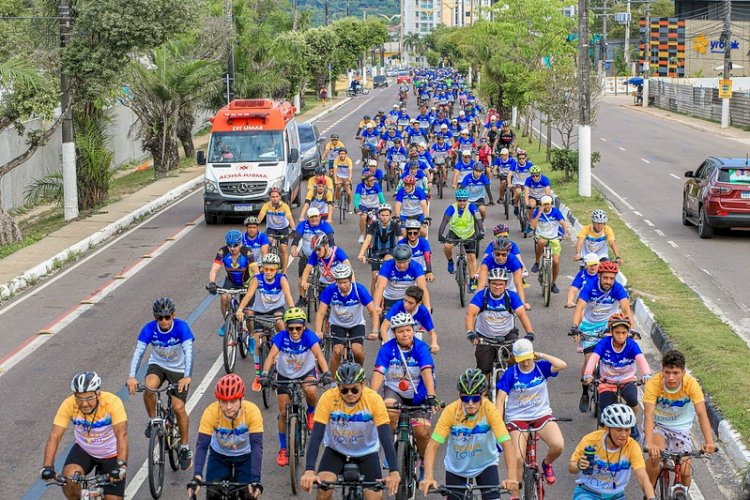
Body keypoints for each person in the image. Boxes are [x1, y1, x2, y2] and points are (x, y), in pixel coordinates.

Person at [300, 363, 401, 499]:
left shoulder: (374, 399)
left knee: (375, 497)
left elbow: (385, 438)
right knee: (323, 490)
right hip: (336, 452)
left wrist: (394, 471)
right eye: (344, 390)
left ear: (363, 384)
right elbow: (316, 436)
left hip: (367, 453)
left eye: (354, 390)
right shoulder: (328, 398)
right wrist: (309, 470)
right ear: (338, 386)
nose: (349, 394)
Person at [420, 368, 520, 500]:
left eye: (475, 398)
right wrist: (428, 477)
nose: (470, 403)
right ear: (460, 396)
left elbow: (507, 444)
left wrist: (512, 477)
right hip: (456, 468)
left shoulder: (490, 410)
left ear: (483, 395)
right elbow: (433, 446)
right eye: (466, 399)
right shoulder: (451, 411)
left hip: (485, 465)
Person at [127, 297, 193, 470]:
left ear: (173, 315)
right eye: (159, 318)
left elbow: (188, 352)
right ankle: (153, 420)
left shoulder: (182, 327)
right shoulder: (148, 329)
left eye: (167, 317)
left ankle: (185, 447)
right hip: (158, 365)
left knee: (178, 408)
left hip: (179, 370)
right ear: (155, 318)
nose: (163, 321)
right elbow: (138, 353)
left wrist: (186, 376)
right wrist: (132, 376)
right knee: (148, 388)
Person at [259, 308, 331, 466]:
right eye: (291, 328)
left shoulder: (309, 337)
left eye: (298, 328)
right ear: (286, 327)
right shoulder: (281, 337)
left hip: (306, 373)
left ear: (304, 326)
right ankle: (283, 449)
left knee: (311, 391)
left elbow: (318, 355)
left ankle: (311, 413)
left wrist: (326, 372)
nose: (294, 331)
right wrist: (264, 374)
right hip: (285, 375)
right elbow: (271, 356)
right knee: (283, 413)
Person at [41, 372, 128, 500]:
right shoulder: (69, 404)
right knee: (69, 480)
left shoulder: (113, 402)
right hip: (85, 450)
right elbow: (55, 436)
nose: (84, 404)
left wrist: (121, 466)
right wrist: (47, 467)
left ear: (98, 394)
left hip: (111, 453)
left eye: (89, 398)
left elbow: (122, 435)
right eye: (79, 399)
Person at [371, 312, 439, 471]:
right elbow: (379, 373)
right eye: (400, 331)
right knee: (389, 414)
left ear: (413, 331)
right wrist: (371, 396)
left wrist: (431, 396)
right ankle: (389, 451)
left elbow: (427, 372)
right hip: (395, 390)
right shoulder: (387, 349)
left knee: (422, 432)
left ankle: (423, 462)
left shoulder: (421, 348)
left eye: (408, 330)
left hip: (419, 392)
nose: (405, 334)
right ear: (394, 333)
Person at [496, 339, 566, 489]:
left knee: (558, 445)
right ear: (515, 358)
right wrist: (498, 424)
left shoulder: (541, 368)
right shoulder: (511, 373)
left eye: (528, 358)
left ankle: (546, 464)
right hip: (517, 419)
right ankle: (516, 492)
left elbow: (562, 365)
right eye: (521, 359)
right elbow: (500, 400)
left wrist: (540, 355)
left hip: (541, 415)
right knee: (518, 459)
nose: (526, 363)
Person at [643, 350, 717, 488]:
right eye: (667, 372)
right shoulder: (654, 383)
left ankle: (682, 494)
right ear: (662, 371)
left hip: (680, 428)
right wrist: (649, 443)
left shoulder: (691, 384)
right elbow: (649, 414)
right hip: (658, 425)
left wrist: (709, 442)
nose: (671, 377)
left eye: (676, 373)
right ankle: (649, 493)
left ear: (683, 372)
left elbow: (702, 413)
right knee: (655, 456)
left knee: (685, 471)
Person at [190, 374, 264, 500]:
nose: (228, 406)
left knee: (249, 495)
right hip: (219, 456)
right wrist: (197, 476)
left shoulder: (252, 411)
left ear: (242, 399)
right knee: (212, 494)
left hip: (245, 456)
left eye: (233, 401)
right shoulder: (211, 412)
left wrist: (255, 479)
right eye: (224, 401)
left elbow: (257, 446)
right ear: (218, 400)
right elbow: (202, 445)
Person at [571, 261, 632, 412]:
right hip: (589, 327)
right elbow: (580, 308)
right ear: (599, 276)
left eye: (612, 278)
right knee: (589, 360)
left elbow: (626, 308)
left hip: (609, 326)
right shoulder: (590, 286)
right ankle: (585, 392)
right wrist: (575, 326)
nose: (608, 282)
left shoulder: (617, 288)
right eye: (605, 278)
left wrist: (631, 330)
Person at [583, 313, 652, 438]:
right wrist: (588, 374)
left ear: (628, 333)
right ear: (611, 332)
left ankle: (632, 423)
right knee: (604, 414)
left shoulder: (631, 345)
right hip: (607, 382)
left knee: (633, 400)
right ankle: (601, 439)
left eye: (624, 333)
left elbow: (641, 359)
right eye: (617, 332)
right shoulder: (604, 343)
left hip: (627, 380)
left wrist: (647, 374)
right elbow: (594, 358)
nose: (621, 336)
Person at [569, 404, 656, 500]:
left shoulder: (632, 446)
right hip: (588, 492)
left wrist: (651, 497)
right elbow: (571, 468)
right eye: (619, 430)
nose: (624, 435)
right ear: (607, 428)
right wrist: (578, 465)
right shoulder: (590, 440)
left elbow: (643, 477)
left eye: (627, 430)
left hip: (616, 496)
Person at [236, 253, 295, 390]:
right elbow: (249, 294)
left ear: (277, 270)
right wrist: (240, 309)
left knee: (281, 323)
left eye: (272, 270)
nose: (268, 272)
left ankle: (283, 349)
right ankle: (258, 376)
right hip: (260, 312)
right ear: (262, 269)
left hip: (276, 310)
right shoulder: (257, 279)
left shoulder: (281, 279)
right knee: (257, 343)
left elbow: (287, 294)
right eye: (266, 269)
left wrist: (292, 310)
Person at [466, 268, 535, 377]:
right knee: (483, 368)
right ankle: (484, 391)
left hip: (507, 334)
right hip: (485, 336)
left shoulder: (511, 296)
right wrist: (470, 332)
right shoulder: (481, 296)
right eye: (494, 284)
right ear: (489, 283)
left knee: (515, 361)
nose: (497, 287)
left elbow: (522, 315)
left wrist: (530, 333)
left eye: (500, 284)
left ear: (505, 284)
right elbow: (470, 314)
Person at [316, 263, 379, 375]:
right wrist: (318, 331)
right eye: (339, 282)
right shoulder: (330, 290)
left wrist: (374, 331)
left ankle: (359, 371)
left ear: (350, 280)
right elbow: (321, 312)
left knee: (357, 350)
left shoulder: (359, 290)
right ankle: (334, 381)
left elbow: (373, 312)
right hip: (337, 324)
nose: (343, 285)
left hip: (356, 324)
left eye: (345, 282)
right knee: (337, 351)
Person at [208, 229, 258, 336]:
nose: (232, 248)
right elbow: (214, 269)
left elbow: (256, 271)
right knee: (224, 297)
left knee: (248, 313)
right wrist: (212, 282)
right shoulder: (223, 252)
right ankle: (227, 322)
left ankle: (252, 337)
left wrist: (258, 284)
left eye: (235, 245)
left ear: (240, 243)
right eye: (229, 245)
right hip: (231, 281)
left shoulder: (247, 252)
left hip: (246, 283)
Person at [437, 189, 484, 292]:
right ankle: (450, 262)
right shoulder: (451, 208)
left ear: (467, 200)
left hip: (468, 234)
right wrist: (440, 234)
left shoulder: (472, 207)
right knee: (447, 246)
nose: (462, 203)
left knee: (471, 257)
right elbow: (444, 221)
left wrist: (481, 231)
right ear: (456, 200)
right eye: (460, 200)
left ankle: (472, 281)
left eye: (464, 200)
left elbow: (479, 220)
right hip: (455, 232)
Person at [290, 207, 335, 306]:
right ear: (308, 218)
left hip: (321, 256)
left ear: (319, 216)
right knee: (301, 277)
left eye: (316, 217)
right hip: (306, 255)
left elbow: (331, 240)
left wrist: (332, 252)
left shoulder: (325, 225)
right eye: (311, 217)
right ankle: (302, 298)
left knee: (326, 277)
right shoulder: (303, 225)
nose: (314, 219)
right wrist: (293, 249)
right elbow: (296, 239)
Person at [373, 244, 432, 315]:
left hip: (409, 298)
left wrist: (427, 307)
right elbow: (380, 287)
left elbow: (422, 287)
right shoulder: (387, 266)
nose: (401, 265)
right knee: (386, 322)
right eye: (399, 262)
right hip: (391, 298)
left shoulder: (416, 267)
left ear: (409, 260)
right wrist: (376, 306)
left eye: (404, 262)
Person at [530, 195, 569, 294]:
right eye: (544, 204)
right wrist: (539, 213)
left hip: (553, 238)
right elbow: (532, 226)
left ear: (551, 204)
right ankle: (537, 262)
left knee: (556, 261)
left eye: (548, 204)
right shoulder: (537, 212)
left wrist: (566, 233)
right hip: (541, 236)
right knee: (541, 242)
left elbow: (562, 223)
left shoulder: (555, 212)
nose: (546, 206)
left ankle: (553, 283)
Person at [381, 285, 438, 352]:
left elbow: (432, 332)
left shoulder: (423, 311)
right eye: (405, 300)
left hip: (413, 336)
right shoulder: (398, 306)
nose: (406, 304)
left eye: (410, 303)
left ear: (419, 303)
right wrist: (387, 344)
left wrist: (434, 343)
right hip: (394, 336)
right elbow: (384, 327)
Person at [357, 203, 400, 293]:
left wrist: (401, 254)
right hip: (376, 252)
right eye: (382, 215)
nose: (385, 217)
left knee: (390, 274)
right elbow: (367, 240)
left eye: (387, 215)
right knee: (374, 277)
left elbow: (401, 240)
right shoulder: (374, 225)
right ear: (379, 215)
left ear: (390, 215)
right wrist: (361, 254)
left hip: (390, 251)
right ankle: (373, 302)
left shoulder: (394, 225)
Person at [476, 237, 529, 309]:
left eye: (504, 254)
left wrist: (522, 303)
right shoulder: (487, 260)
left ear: (508, 253)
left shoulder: (513, 261)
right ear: (493, 252)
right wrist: (477, 303)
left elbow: (519, 285)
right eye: (497, 254)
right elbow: (481, 286)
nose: (500, 257)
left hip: (510, 290)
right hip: (493, 290)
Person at [301, 233, 351, 301]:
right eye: (315, 250)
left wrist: (352, 284)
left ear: (326, 246)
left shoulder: (337, 252)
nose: (317, 252)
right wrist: (304, 281)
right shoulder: (315, 254)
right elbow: (307, 269)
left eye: (319, 249)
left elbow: (349, 268)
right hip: (323, 284)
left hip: (338, 283)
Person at [258, 187, 295, 270]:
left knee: (283, 248)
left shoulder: (285, 206)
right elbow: (260, 217)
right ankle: (265, 267)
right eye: (273, 197)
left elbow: (290, 218)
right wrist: (255, 227)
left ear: (280, 197)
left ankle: (284, 271)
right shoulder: (266, 205)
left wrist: (293, 230)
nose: (275, 199)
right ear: (270, 198)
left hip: (283, 228)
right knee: (266, 246)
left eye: (277, 196)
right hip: (271, 228)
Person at [354, 171, 386, 244]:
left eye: (374, 180)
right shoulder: (360, 186)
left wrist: (384, 206)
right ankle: (362, 235)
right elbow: (357, 198)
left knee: (375, 219)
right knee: (363, 217)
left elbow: (381, 197)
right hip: (363, 206)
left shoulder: (376, 185)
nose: (373, 182)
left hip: (374, 206)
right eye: (371, 180)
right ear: (365, 181)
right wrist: (356, 207)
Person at [523, 166, 551, 231]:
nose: (535, 177)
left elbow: (547, 192)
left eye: (537, 176)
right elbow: (526, 193)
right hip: (533, 197)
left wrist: (548, 201)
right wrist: (527, 203)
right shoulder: (528, 180)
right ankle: (530, 222)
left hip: (542, 197)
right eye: (533, 176)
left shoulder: (545, 179)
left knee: (546, 208)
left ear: (540, 174)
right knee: (531, 205)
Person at [508, 150, 532, 215]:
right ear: (517, 159)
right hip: (517, 183)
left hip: (526, 184)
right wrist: (509, 183)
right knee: (518, 192)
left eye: (523, 158)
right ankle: (516, 205)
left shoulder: (529, 165)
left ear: (526, 158)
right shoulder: (514, 164)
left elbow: (534, 175)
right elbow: (509, 175)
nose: (521, 160)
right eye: (520, 159)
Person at [331, 147, 354, 211]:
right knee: (338, 186)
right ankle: (337, 200)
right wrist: (335, 180)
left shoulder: (349, 160)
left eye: (343, 153)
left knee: (349, 193)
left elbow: (350, 171)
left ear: (346, 154)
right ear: (338, 154)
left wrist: (349, 179)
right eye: (340, 153)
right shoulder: (336, 160)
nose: (342, 155)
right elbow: (334, 171)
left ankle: (349, 204)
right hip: (339, 176)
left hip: (346, 177)